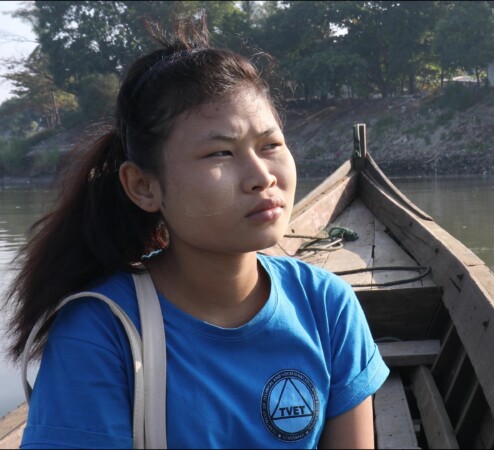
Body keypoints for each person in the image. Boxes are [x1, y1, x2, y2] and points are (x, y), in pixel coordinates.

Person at [4, 17, 388, 449]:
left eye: (270, 146)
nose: (262, 177)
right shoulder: (100, 333)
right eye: (221, 152)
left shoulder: (326, 306)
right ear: (144, 186)